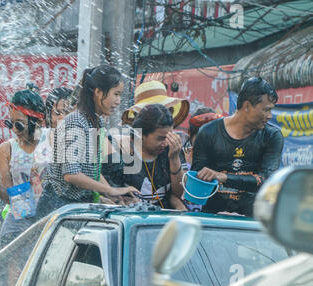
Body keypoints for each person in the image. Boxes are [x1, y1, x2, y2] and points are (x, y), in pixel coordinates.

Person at [36, 65, 139, 215]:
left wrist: (114, 196)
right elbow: (71, 174)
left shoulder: (96, 122)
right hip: (57, 207)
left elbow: (93, 171)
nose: (118, 101)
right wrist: (110, 189)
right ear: (98, 92)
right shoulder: (75, 121)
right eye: (116, 94)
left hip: (76, 205)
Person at [191, 77, 284, 217]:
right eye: (266, 110)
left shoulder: (272, 136)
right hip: (213, 219)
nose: (270, 116)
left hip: (252, 221)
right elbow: (197, 178)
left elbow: (266, 180)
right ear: (247, 106)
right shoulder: (208, 132)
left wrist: (222, 177)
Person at [0, 89, 52, 248]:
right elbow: (9, 198)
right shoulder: (6, 149)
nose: (14, 129)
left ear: (35, 120)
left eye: (19, 124)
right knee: (14, 269)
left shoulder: (51, 138)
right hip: (19, 221)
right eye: (10, 123)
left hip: (50, 217)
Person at [103, 104, 186, 210]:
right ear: (140, 134)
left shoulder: (173, 149)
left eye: (169, 137)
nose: (165, 143)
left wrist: (174, 159)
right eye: (160, 138)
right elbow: (107, 191)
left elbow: (179, 193)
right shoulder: (119, 151)